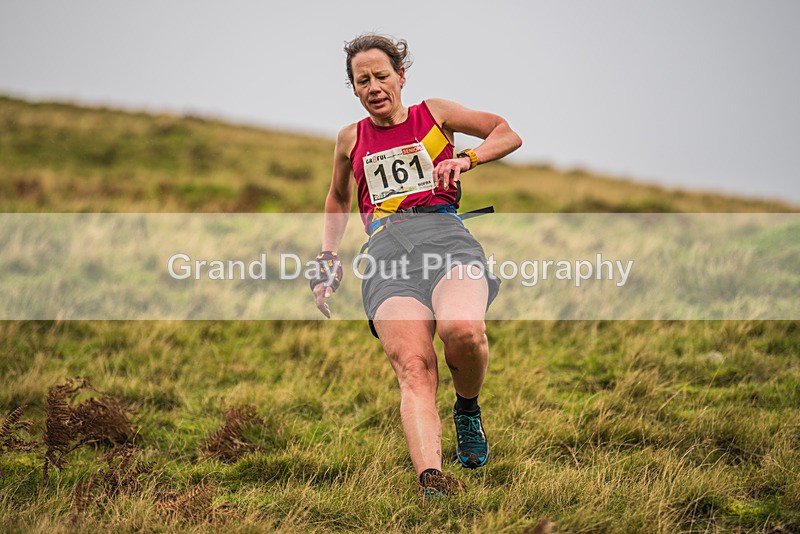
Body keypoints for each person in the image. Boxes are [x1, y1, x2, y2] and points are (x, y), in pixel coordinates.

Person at [310, 33, 522, 501]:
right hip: (386, 256)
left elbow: (507, 132)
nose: (373, 86)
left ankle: (466, 408)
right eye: (362, 80)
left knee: (463, 331)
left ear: (400, 76)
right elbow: (339, 197)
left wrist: (466, 159)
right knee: (414, 366)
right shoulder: (350, 139)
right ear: (354, 88)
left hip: (447, 240)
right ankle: (433, 484)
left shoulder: (436, 114)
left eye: (381, 75)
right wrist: (327, 257)